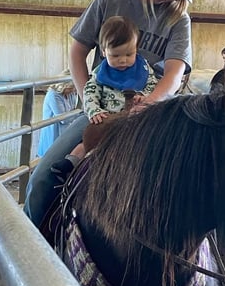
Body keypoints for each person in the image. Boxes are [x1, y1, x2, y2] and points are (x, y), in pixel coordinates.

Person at [23, 0, 200, 226]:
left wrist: (150, 104)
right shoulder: (110, 1)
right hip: (103, 110)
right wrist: (89, 103)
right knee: (42, 181)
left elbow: (175, 71)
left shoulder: (178, 20)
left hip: (149, 116)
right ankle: (32, 258)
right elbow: (78, 51)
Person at [50, 16, 157, 178]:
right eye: (115, 56)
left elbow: (153, 85)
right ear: (103, 51)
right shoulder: (100, 73)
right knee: (90, 138)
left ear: (137, 48)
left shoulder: (143, 69)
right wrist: (94, 111)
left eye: (129, 54)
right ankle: (71, 161)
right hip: (107, 118)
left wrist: (145, 97)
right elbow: (90, 92)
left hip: (136, 119)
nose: (123, 60)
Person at [37, 77, 79, 158]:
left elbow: (73, 111)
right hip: (53, 131)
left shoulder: (70, 94)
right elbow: (63, 119)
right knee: (50, 156)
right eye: (71, 88)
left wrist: (73, 113)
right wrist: (74, 113)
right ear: (64, 86)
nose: (73, 90)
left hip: (65, 130)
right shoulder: (53, 95)